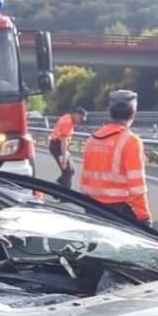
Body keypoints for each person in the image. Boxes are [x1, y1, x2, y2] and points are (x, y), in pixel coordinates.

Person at [78, 90, 150, 227]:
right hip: (118, 213)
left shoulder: (92, 140)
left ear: (110, 111)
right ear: (133, 113)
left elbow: (85, 181)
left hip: (92, 208)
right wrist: (144, 218)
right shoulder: (130, 141)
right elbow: (137, 188)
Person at [48, 107, 88, 187]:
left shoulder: (68, 118)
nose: (80, 121)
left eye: (82, 120)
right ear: (76, 114)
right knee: (68, 171)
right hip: (57, 146)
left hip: (58, 145)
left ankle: (56, 187)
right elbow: (63, 141)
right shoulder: (68, 122)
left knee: (71, 170)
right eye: (80, 118)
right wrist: (64, 158)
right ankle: (64, 196)